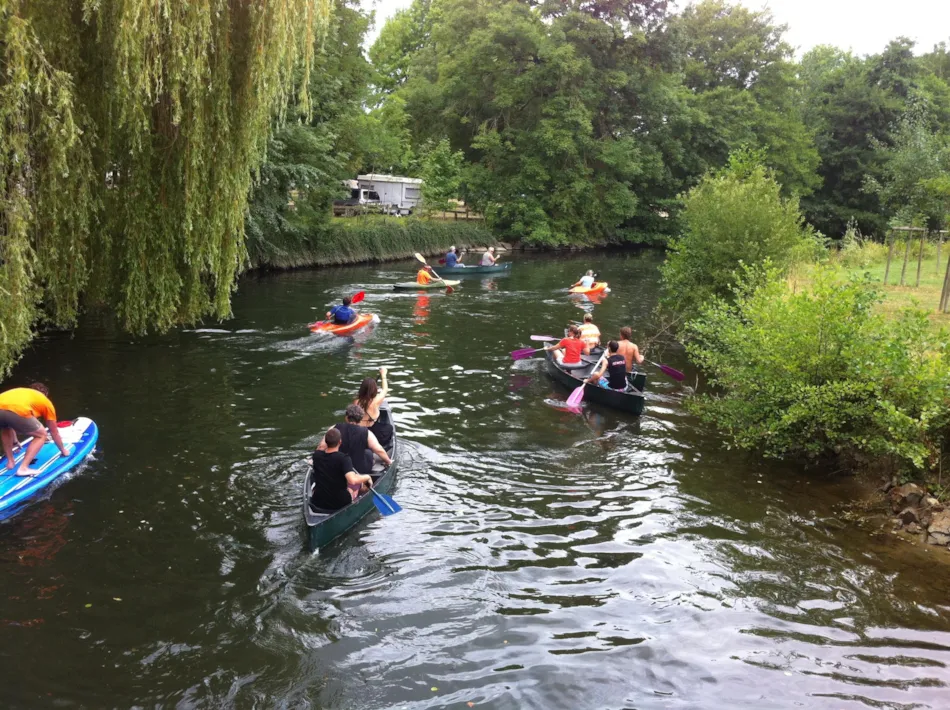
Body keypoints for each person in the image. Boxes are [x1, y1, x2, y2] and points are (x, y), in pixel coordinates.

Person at [0, 383, 69, 476]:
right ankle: (23, 468)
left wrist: (15, 441)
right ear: (45, 394)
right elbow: (54, 431)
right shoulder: (45, 401)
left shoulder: (22, 392)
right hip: (17, 410)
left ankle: (10, 462)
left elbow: (8, 418)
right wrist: (63, 450)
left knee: (5, 427)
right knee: (41, 435)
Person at [318, 404, 392, 475]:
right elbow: (379, 450)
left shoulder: (334, 428)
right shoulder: (367, 433)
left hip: (338, 467)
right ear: (361, 419)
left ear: (346, 418)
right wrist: (388, 461)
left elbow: (322, 447)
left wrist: (313, 460)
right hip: (360, 470)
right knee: (368, 452)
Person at [310, 427, 373, 510]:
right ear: (340, 442)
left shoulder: (316, 455)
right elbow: (352, 480)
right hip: (339, 503)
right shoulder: (344, 459)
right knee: (357, 486)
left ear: (326, 441)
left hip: (318, 501)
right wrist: (367, 477)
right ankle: (361, 497)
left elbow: (321, 452)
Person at [354, 367, 394, 450]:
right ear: (374, 389)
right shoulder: (376, 401)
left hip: (359, 433)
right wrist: (383, 374)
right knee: (389, 428)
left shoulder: (356, 402)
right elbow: (385, 389)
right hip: (372, 432)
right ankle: (381, 447)